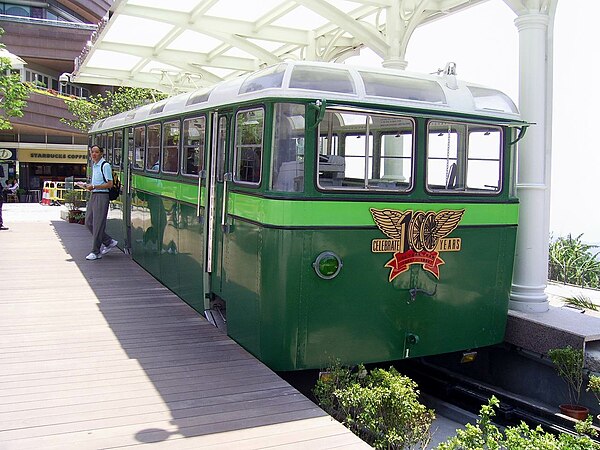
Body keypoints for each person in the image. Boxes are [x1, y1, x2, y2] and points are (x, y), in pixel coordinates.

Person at [84, 145, 118, 260]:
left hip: (102, 195)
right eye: (92, 152)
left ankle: (96, 251)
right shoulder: (94, 165)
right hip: (94, 194)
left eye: (96, 152)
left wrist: (94, 186)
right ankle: (108, 241)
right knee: (88, 222)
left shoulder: (105, 165)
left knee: (98, 224)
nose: (93, 154)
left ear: (101, 153)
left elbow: (110, 184)